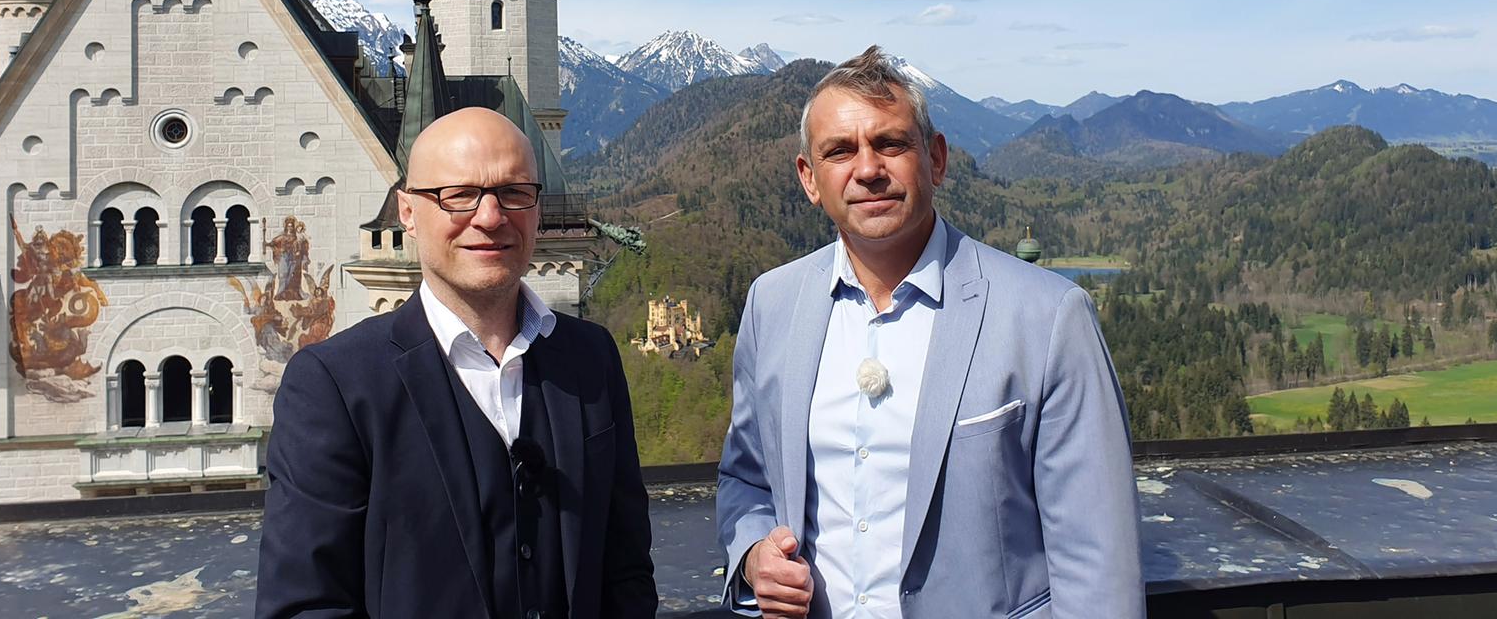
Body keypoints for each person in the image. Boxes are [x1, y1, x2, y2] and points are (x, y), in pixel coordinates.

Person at [716, 48, 1142, 618]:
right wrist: (754, 555)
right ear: (809, 179)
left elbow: (1098, 561)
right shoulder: (772, 305)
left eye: (890, 144)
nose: (868, 169)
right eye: (839, 151)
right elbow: (746, 478)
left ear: (936, 159)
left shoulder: (1047, 316)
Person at [256, 107, 657, 619]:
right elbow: (306, 605)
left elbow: (625, 568)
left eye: (514, 192)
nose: (490, 217)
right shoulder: (335, 385)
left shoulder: (590, 357)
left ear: (536, 208)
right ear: (407, 212)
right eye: (459, 195)